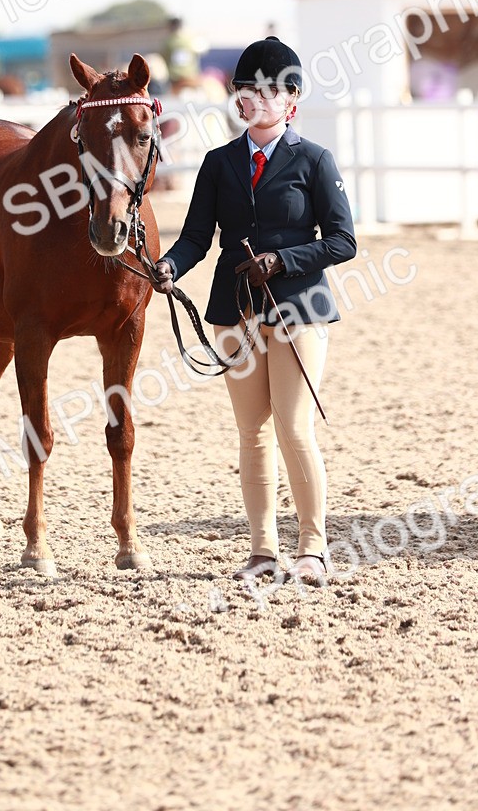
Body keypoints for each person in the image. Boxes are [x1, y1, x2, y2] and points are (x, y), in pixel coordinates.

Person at [151, 36, 357, 586]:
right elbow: (196, 235)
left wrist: (282, 259)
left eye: (270, 91)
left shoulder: (315, 160)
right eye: (247, 90)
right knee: (252, 432)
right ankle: (263, 550)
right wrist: (170, 265)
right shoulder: (219, 163)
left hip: (299, 307)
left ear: (291, 100)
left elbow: (343, 242)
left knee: (293, 426)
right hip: (235, 310)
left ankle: (313, 547)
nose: (256, 99)